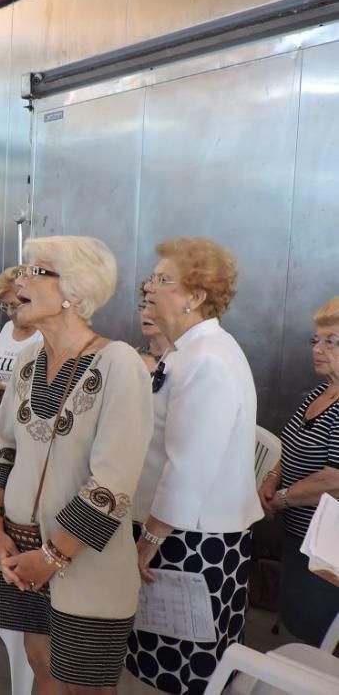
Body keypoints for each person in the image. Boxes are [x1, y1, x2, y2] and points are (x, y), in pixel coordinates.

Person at [0, 236, 153, 694]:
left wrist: (53, 557)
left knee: (85, 686)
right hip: (18, 551)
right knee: (41, 663)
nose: (20, 278)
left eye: (37, 270)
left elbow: (112, 483)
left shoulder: (120, 364)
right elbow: (3, 447)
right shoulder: (29, 360)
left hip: (82, 563)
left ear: (73, 291)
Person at [127, 237, 263, 695]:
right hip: (176, 528)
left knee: (188, 667)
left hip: (192, 538)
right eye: (152, 277)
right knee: (167, 659)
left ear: (195, 296)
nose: (149, 287)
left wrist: (148, 542)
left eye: (163, 280)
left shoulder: (208, 360)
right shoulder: (185, 351)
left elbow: (188, 469)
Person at [259, 295, 339, 646]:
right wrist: (272, 479)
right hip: (296, 533)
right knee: (295, 619)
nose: (317, 349)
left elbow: (333, 480)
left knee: (315, 631)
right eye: (316, 340)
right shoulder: (316, 394)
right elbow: (286, 446)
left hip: (326, 546)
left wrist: (281, 500)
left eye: (330, 341)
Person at [0, 266, 42, 413]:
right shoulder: (8, 328)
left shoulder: (45, 334)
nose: (9, 313)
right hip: (2, 419)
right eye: (4, 306)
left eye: (14, 306)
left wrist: (9, 392)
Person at [136, 280, 172, 373]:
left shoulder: (183, 360)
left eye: (154, 307)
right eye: (143, 306)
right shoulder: (132, 357)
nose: (145, 313)